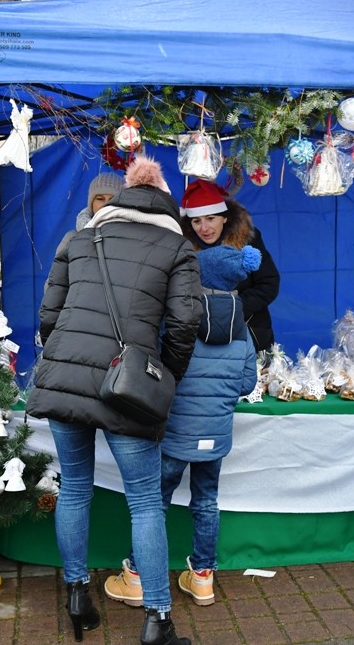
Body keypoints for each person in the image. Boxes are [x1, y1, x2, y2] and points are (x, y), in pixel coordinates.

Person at [26, 156, 201, 645]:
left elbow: (48, 315)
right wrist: (164, 376)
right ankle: (157, 621)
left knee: (74, 487)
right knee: (144, 503)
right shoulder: (177, 247)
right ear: (164, 203)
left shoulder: (79, 239)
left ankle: (77, 595)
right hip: (127, 387)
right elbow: (185, 323)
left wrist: (67, 362)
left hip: (65, 376)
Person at [105, 245, 259, 609]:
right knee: (206, 502)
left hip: (175, 434)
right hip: (216, 436)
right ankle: (203, 578)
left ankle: (137, 577)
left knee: (154, 503)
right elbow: (247, 383)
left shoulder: (178, 320)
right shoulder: (242, 328)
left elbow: (157, 372)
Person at [179, 180, 280, 352]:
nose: (204, 228)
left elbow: (269, 283)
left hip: (250, 333)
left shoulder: (248, 240)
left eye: (210, 219)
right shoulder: (183, 249)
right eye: (196, 221)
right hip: (202, 340)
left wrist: (234, 308)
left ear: (224, 218)